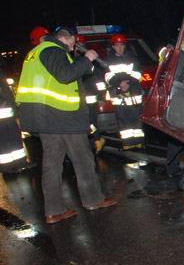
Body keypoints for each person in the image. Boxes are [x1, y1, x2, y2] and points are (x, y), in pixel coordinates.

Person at [16, 27, 117, 224]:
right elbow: (65, 75)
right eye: (72, 42)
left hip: (45, 118)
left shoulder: (35, 53)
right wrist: (86, 59)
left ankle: (54, 211)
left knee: (51, 165)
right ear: (64, 38)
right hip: (62, 116)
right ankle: (93, 200)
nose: (73, 47)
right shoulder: (53, 50)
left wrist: (81, 63)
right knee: (82, 159)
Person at [104, 34, 144, 149]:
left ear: (125, 46)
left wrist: (128, 84)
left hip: (133, 94)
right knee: (122, 119)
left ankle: (139, 142)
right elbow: (107, 76)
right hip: (118, 96)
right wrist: (119, 84)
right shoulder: (108, 61)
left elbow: (138, 74)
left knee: (136, 119)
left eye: (121, 45)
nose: (120, 48)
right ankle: (127, 143)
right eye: (117, 45)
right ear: (113, 47)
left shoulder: (133, 59)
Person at [0, 68, 31, 172]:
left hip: (7, 111)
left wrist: (13, 107)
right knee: (3, 141)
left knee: (14, 137)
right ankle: (7, 166)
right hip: (4, 110)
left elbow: (5, 89)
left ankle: (20, 163)